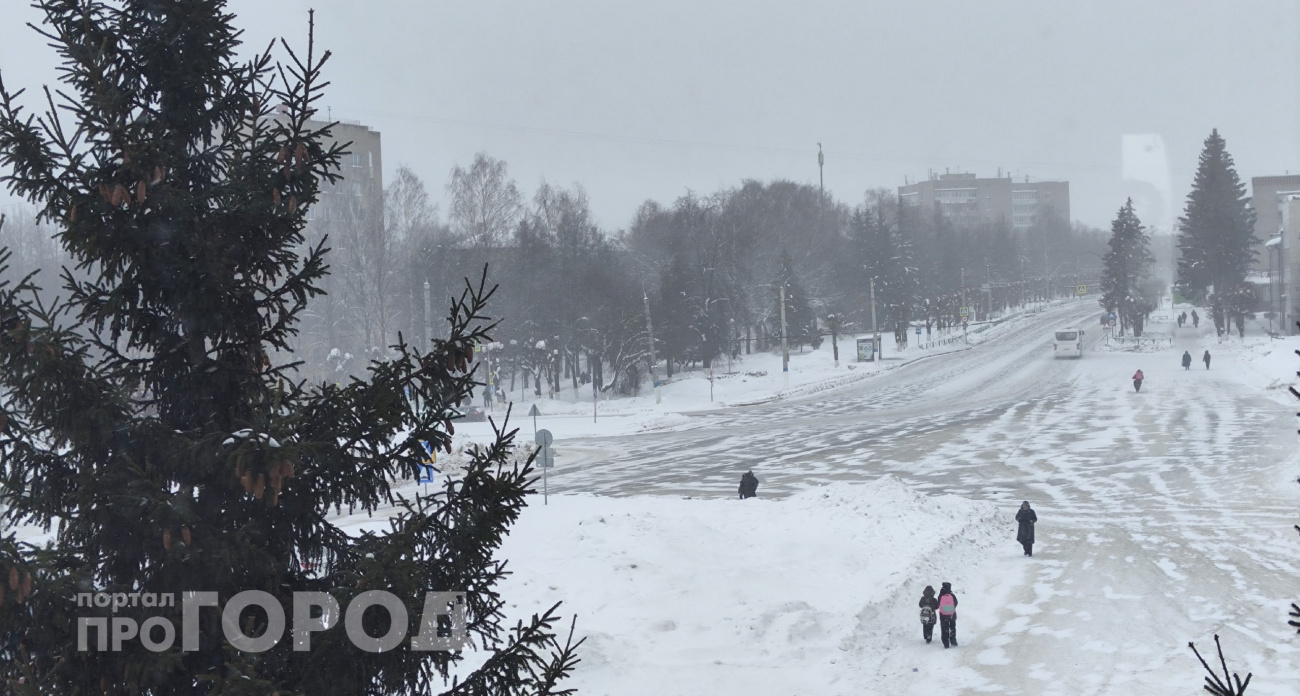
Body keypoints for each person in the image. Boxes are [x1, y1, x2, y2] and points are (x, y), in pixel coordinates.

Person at [937, 582, 958, 648]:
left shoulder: (941, 595)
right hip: (952, 614)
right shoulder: (952, 595)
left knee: (944, 628)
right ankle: (953, 641)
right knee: (952, 627)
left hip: (943, 615)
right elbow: (956, 603)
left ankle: (946, 643)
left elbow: (938, 604)